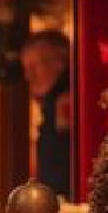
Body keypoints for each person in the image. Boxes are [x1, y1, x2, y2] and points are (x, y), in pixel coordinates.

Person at [20, 31, 72, 198]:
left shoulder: (68, 99)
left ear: (59, 63)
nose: (29, 76)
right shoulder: (51, 104)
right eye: (26, 69)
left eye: (34, 66)